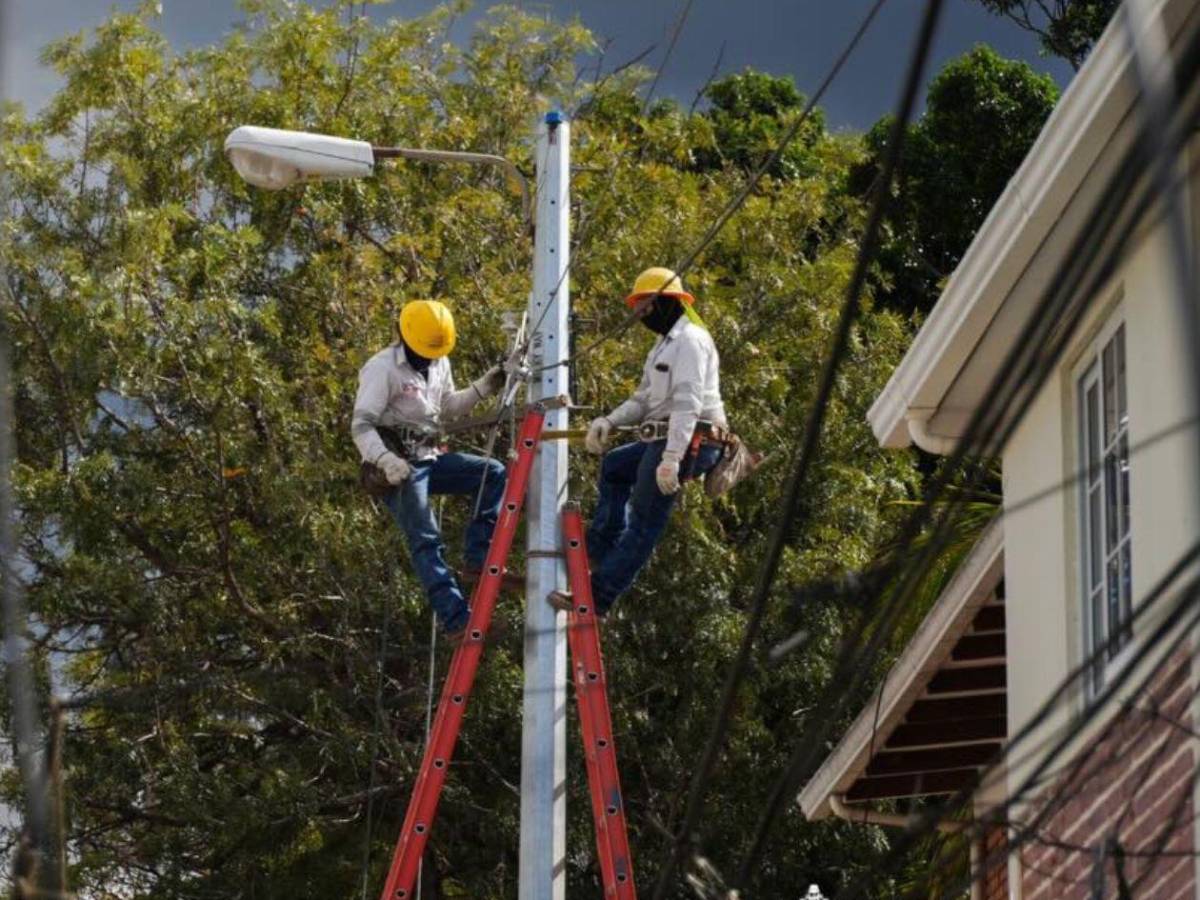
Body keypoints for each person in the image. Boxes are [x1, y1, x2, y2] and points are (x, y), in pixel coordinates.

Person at [550, 267, 729, 617]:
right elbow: (644, 400)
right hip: (666, 437)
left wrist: (672, 458)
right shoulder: (662, 347)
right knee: (615, 467)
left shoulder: (691, 341)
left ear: (666, 303)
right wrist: (609, 421)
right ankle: (600, 549)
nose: (642, 316)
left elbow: (687, 404)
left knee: (645, 520)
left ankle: (597, 597)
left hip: (692, 438)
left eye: (645, 308)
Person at [352, 299, 508, 643]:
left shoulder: (438, 361)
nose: (428, 358)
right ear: (405, 337)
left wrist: (485, 385)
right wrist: (384, 460)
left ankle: (477, 559)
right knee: (426, 539)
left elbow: (447, 407)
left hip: (429, 457)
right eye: (424, 351)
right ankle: (457, 622)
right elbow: (361, 425)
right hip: (397, 467)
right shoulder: (382, 369)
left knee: (492, 473)